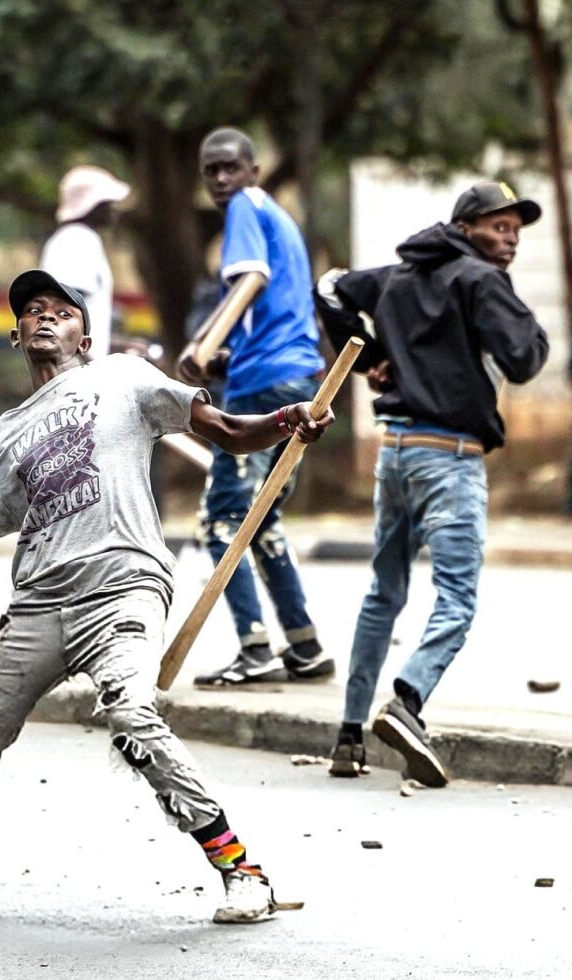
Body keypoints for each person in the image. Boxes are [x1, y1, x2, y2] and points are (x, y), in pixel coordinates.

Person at [0, 269, 334, 923]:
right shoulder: (9, 432)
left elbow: (230, 431)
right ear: (15, 336)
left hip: (124, 585)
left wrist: (285, 420)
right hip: (38, 602)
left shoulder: (123, 377)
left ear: (85, 335)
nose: (44, 317)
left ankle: (244, 872)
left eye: (60, 311)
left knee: (132, 714)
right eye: (31, 312)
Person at [314, 182, 548, 786]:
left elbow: (331, 286)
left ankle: (347, 735)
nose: (511, 240)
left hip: (393, 452)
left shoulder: (397, 276)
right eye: (499, 228)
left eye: (517, 231)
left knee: (383, 592)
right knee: (456, 598)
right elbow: (524, 358)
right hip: (448, 456)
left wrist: (367, 358)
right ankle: (408, 702)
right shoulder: (478, 280)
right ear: (466, 227)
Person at [178, 127, 331, 686]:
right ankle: (304, 645)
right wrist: (224, 355)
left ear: (253, 171)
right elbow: (271, 306)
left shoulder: (246, 209)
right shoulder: (276, 218)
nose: (221, 179)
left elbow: (251, 279)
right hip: (295, 382)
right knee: (260, 516)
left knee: (221, 519)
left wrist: (202, 346)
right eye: (210, 171)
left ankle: (254, 650)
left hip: (262, 388)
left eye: (230, 168)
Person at [39, 165, 130, 358]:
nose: (113, 210)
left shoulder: (69, 239)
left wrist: (113, 347)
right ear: (92, 206)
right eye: (107, 203)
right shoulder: (78, 239)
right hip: (77, 374)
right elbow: (64, 312)